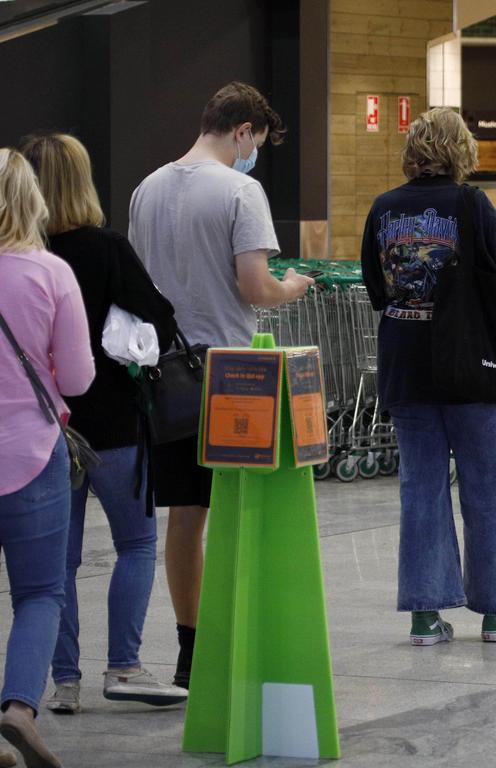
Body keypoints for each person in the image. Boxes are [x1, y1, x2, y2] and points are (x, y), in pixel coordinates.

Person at [128, 82, 314, 687]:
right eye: (254, 143)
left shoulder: (146, 188)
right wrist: (292, 285)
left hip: (165, 376)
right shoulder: (242, 190)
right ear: (243, 131)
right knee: (242, 505)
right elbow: (254, 287)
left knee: (187, 513)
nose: (252, 154)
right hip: (234, 372)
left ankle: (192, 648)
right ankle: (240, 636)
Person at [19, 133, 189, 714]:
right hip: (114, 424)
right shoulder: (107, 248)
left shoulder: (20, 258)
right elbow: (162, 323)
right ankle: (124, 664)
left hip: (46, 433)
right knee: (136, 545)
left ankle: (64, 682)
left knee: (56, 564)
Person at [360, 108, 496, 645]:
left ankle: (424, 616)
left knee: (420, 488)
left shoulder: (383, 207)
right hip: (467, 364)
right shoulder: (470, 203)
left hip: (404, 364)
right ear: (460, 150)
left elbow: (375, 289)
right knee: (485, 486)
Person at [0, 148, 95, 768]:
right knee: (40, 592)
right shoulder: (51, 273)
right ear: (30, 200)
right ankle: (16, 711)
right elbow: (81, 378)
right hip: (32, 454)